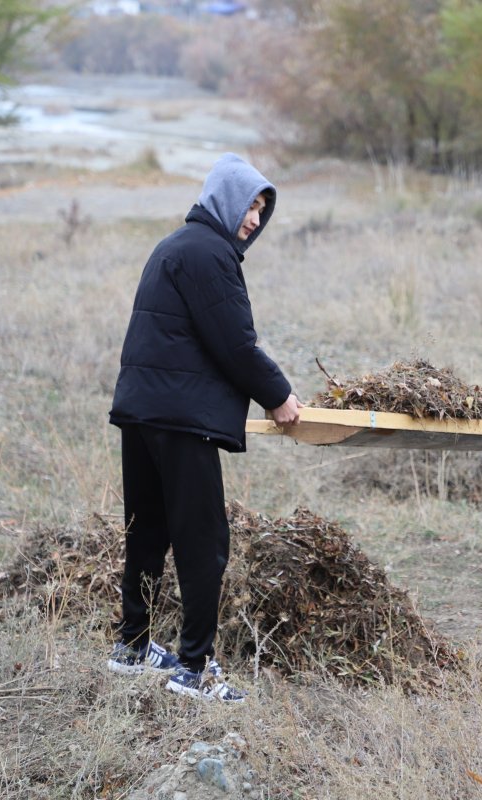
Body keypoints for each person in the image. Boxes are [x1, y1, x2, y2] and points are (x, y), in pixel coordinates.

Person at [106, 153, 301, 701]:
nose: (254, 221)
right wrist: (279, 396)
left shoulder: (173, 245)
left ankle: (134, 646)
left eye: (262, 212)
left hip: (143, 411)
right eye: (249, 207)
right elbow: (235, 343)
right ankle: (194, 668)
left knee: (146, 531)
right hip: (179, 419)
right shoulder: (210, 254)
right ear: (225, 199)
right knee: (203, 542)